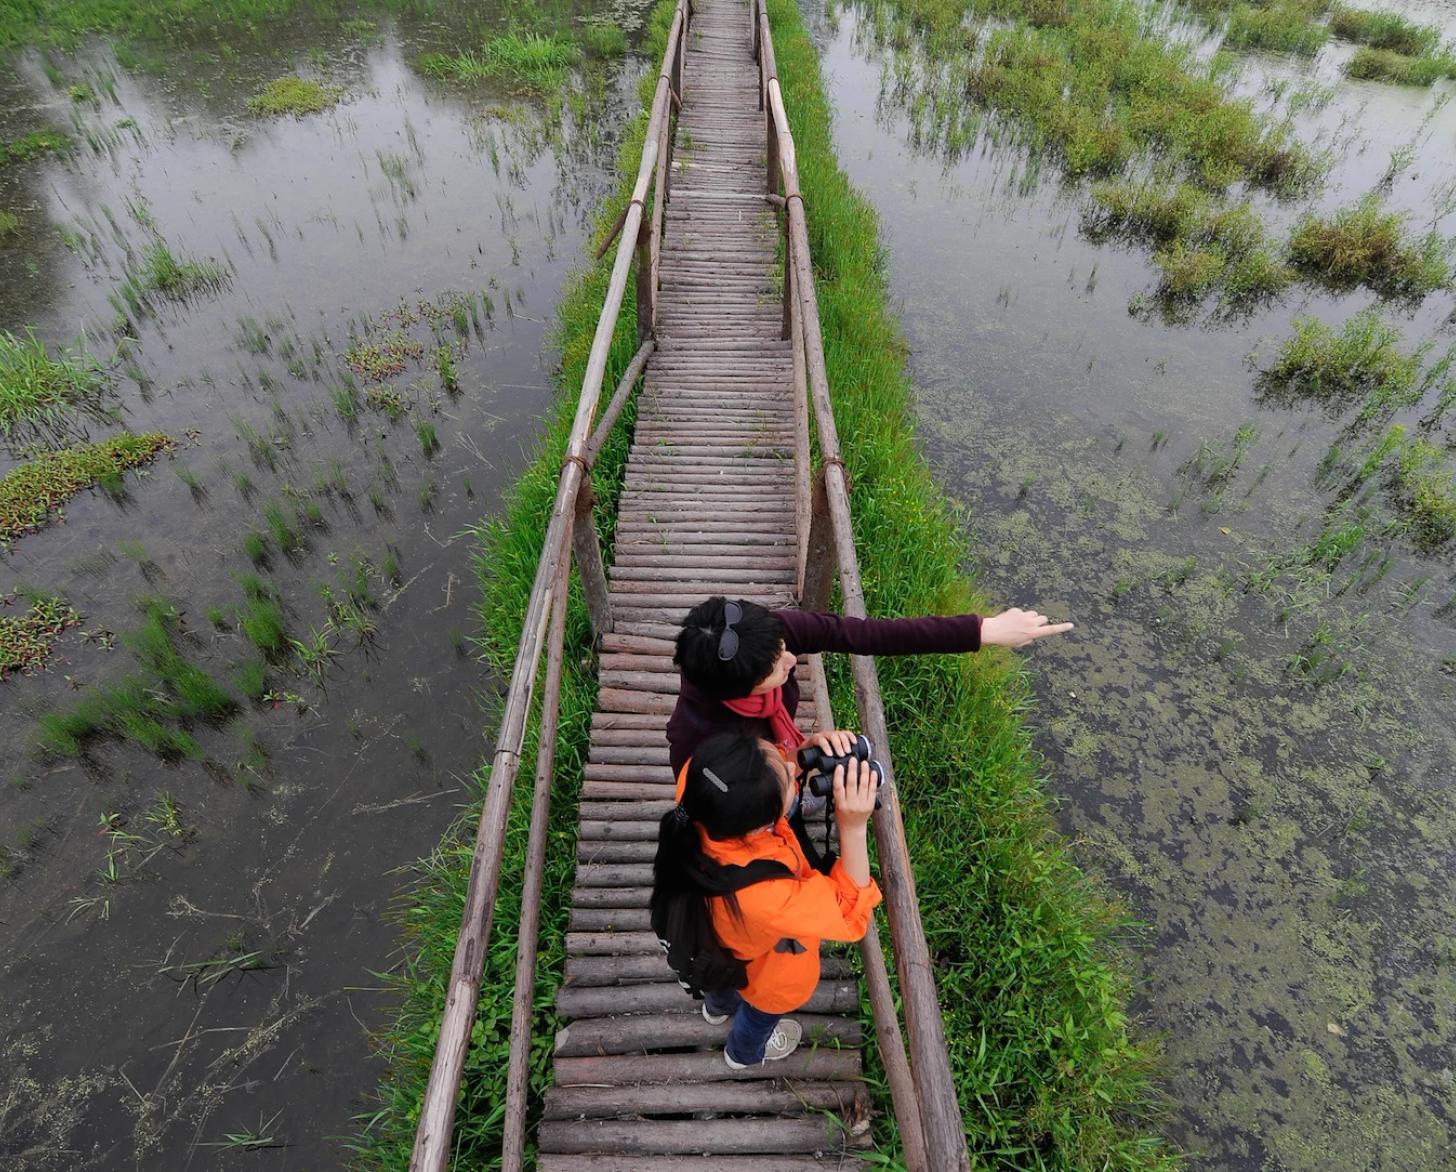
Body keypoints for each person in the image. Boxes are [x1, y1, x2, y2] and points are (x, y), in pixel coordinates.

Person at [650, 731, 882, 1068]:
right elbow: (849, 914)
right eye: (789, 777)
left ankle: (716, 1010)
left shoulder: (700, 782)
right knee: (759, 1016)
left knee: (718, 982)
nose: (791, 766)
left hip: (707, 942)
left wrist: (804, 752)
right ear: (761, 828)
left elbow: (750, 776)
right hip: (766, 976)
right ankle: (742, 1053)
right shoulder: (766, 896)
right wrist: (854, 827)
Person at [666, 597, 1073, 775]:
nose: (792, 661)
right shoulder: (705, 744)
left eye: (785, 650)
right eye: (776, 670)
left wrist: (983, 630)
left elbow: (868, 635)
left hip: (777, 756)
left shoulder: (769, 634)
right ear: (740, 692)